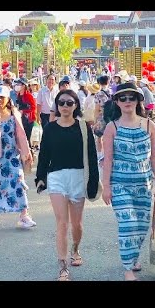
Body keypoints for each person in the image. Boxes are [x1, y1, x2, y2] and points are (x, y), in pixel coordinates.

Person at [35, 90, 99, 281]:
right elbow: (44, 155)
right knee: (62, 223)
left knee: (76, 224)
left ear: (75, 105)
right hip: (56, 177)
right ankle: (63, 266)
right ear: (57, 105)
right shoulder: (50, 128)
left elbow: (92, 157)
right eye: (61, 103)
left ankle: (75, 249)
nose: (65, 106)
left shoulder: (83, 127)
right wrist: (40, 178)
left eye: (69, 103)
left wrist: (93, 182)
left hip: (78, 176)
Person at [101, 82, 155, 281]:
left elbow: (154, 157)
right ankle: (128, 269)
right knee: (128, 224)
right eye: (123, 98)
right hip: (120, 185)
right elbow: (108, 159)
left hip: (144, 185)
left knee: (142, 226)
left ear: (138, 100)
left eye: (132, 97)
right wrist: (106, 187)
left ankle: (134, 256)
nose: (128, 101)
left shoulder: (149, 125)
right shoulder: (112, 127)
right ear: (117, 102)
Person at [0, 86, 35, 229]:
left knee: (18, 183)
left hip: (12, 156)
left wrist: (26, 152)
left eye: (2, 97)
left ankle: (24, 215)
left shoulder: (14, 114)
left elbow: (21, 135)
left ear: (8, 99)